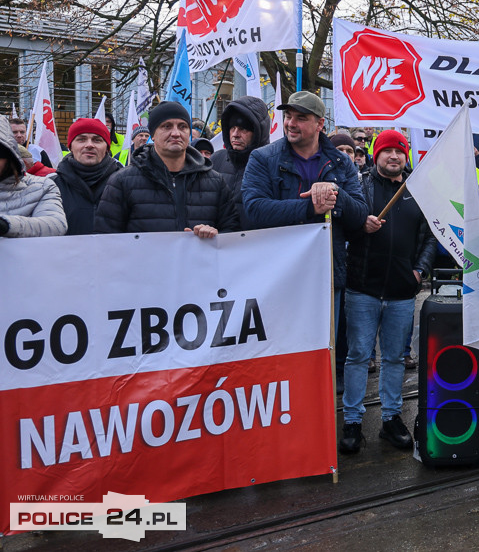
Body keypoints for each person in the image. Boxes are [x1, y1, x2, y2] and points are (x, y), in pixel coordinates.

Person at [242, 90, 368, 408]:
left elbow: (360, 215)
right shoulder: (263, 158)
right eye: (288, 116)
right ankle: (285, 420)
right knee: (281, 355)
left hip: (327, 276)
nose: (291, 123)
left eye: (301, 117)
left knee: (323, 352)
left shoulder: (340, 162)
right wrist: (310, 207)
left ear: (319, 124)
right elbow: (253, 210)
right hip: (279, 278)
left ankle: (318, 423)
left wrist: (335, 196)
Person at [339, 130, 436, 453]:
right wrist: (359, 225)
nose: (394, 157)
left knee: (394, 358)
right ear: (376, 155)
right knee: (357, 357)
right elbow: (342, 224)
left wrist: (418, 271)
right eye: (387, 151)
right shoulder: (359, 186)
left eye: (399, 151)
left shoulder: (417, 191)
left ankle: (391, 418)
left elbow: (429, 238)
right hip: (362, 289)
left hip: (401, 292)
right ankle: (352, 421)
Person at [95, 102, 238, 235]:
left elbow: (233, 234)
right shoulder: (122, 182)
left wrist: (215, 235)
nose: (176, 133)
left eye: (182, 126)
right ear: (153, 135)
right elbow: (106, 239)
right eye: (167, 126)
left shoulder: (215, 182)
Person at [0, 117, 67, 237]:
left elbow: (56, 225)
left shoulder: (43, 187)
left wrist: (6, 225)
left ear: (8, 154)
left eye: (22, 132)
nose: (19, 135)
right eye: (15, 132)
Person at [211, 95, 271, 228]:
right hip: (218, 243)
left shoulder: (273, 165)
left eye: (243, 129)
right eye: (232, 128)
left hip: (256, 244)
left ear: (257, 132)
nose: (235, 134)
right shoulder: (216, 160)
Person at [54, 118, 122, 235]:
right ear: (70, 146)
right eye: (81, 139)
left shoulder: (125, 184)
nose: (89, 145)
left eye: (97, 140)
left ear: (107, 148)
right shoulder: (53, 186)